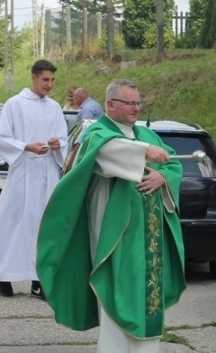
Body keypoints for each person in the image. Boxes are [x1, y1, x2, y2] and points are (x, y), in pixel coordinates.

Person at [37, 79, 186, 352]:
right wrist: (145, 153)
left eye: (139, 103)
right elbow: (109, 151)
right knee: (117, 293)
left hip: (148, 238)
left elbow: (174, 162)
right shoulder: (96, 134)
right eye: (130, 103)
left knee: (146, 297)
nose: (136, 109)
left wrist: (163, 176)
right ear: (110, 104)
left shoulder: (146, 135)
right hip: (114, 238)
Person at [0, 59, 69, 300]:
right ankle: (3, 274)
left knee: (44, 226)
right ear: (33, 77)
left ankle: (39, 279)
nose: (49, 85)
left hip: (46, 174)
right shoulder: (15, 104)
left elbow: (63, 138)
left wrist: (57, 145)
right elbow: (1, 138)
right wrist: (26, 146)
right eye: (45, 80)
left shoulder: (54, 107)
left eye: (53, 80)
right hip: (24, 171)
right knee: (13, 224)